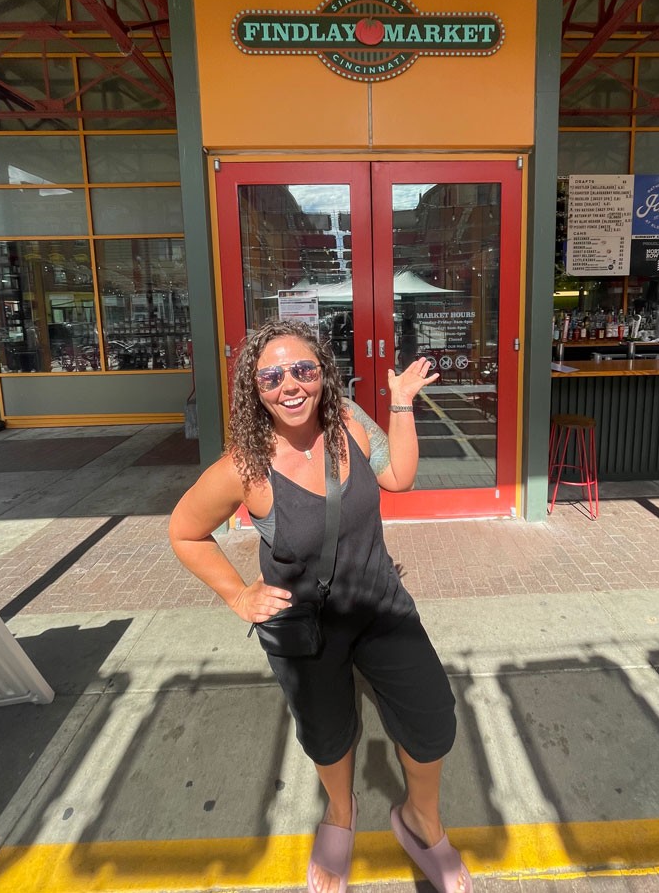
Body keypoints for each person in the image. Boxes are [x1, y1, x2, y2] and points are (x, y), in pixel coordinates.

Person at [169, 319, 471, 893]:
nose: (290, 385)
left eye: (304, 370)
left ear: (324, 376)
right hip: (304, 626)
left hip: (380, 604)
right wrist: (238, 594)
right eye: (271, 376)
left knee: (432, 721)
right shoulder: (244, 468)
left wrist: (402, 403)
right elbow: (184, 532)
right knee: (328, 735)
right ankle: (341, 813)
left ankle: (420, 820)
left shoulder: (351, 422)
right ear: (253, 390)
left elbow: (399, 477)